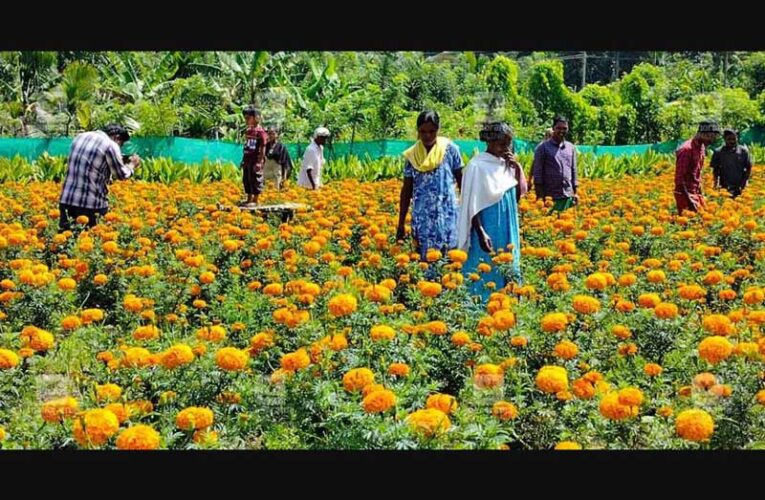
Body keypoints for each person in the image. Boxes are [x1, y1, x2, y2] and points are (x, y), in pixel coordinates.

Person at [458, 122, 527, 300]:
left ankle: (509, 303)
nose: (506, 149)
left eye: (508, 144)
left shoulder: (506, 165)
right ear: (489, 142)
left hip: (507, 226)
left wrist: (517, 169)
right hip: (488, 226)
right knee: (486, 266)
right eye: (502, 144)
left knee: (508, 265)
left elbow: (517, 197)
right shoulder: (476, 166)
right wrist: (481, 232)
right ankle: (480, 307)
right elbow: (471, 203)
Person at [396, 110, 463, 261]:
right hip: (422, 218)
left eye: (432, 131)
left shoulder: (450, 150)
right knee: (423, 260)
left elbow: (462, 182)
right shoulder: (412, 156)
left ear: (438, 130)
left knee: (449, 259)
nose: (427, 136)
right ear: (418, 131)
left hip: (447, 215)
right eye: (423, 131)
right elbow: (406, 190)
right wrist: (401, 223)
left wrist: (470, 215)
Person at [58, 123, 140, 230]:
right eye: (121, 144)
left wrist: (119, 158)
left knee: (67, 240)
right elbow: (121, 175)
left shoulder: (79, 137)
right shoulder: (110, 145)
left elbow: (90, 161)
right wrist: (132, 165)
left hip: (67, 201)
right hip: (91, 205)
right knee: (93, 240)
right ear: (117, 137)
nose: (120, 148)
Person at [531, 116, 578, 212]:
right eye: (559, 128)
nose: (562, 131)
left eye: (564, 128)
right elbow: (537, 173)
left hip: (567, 195)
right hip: (550, 197)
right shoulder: (543, 148)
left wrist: (575, 192)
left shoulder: (571, 148)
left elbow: (573, 170)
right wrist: (540, 197)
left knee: (568, 223)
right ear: (553, 128)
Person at [674, 120, 721, 215]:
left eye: (714, 137)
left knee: (704, 217)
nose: (712, 140)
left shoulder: (702, 148)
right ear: (701, 133)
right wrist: (689, 201)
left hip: (695, 192)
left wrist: (700, 194)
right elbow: (679, 180)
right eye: (710, 137)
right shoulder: (687, 149)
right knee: (689, 223)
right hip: (684, 194)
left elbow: (697, 174)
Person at [711, 128, 752, 199]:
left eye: (734, 139)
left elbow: (749, 168)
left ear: (737, 138)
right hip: (724, 187)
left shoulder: (743, 151)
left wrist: (744, 184)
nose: (732, 141)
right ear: (724, 139)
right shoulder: (718, 152)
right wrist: (715, 184)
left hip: (740, 187)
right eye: (729, 139)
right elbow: (715, 170)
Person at [240, 106, 268, 207]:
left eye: (248, 118)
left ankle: (256, 200)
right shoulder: (248, 131)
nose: (246, 121)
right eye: (245, 118)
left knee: (255, 179)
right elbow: (247, 146)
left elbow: (263, 147)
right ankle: (249, 199)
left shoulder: (261, 132)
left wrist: (260, 162)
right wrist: (243, 160)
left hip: (255, 159)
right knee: (247, 178)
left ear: (256, 117)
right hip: (247, 159)